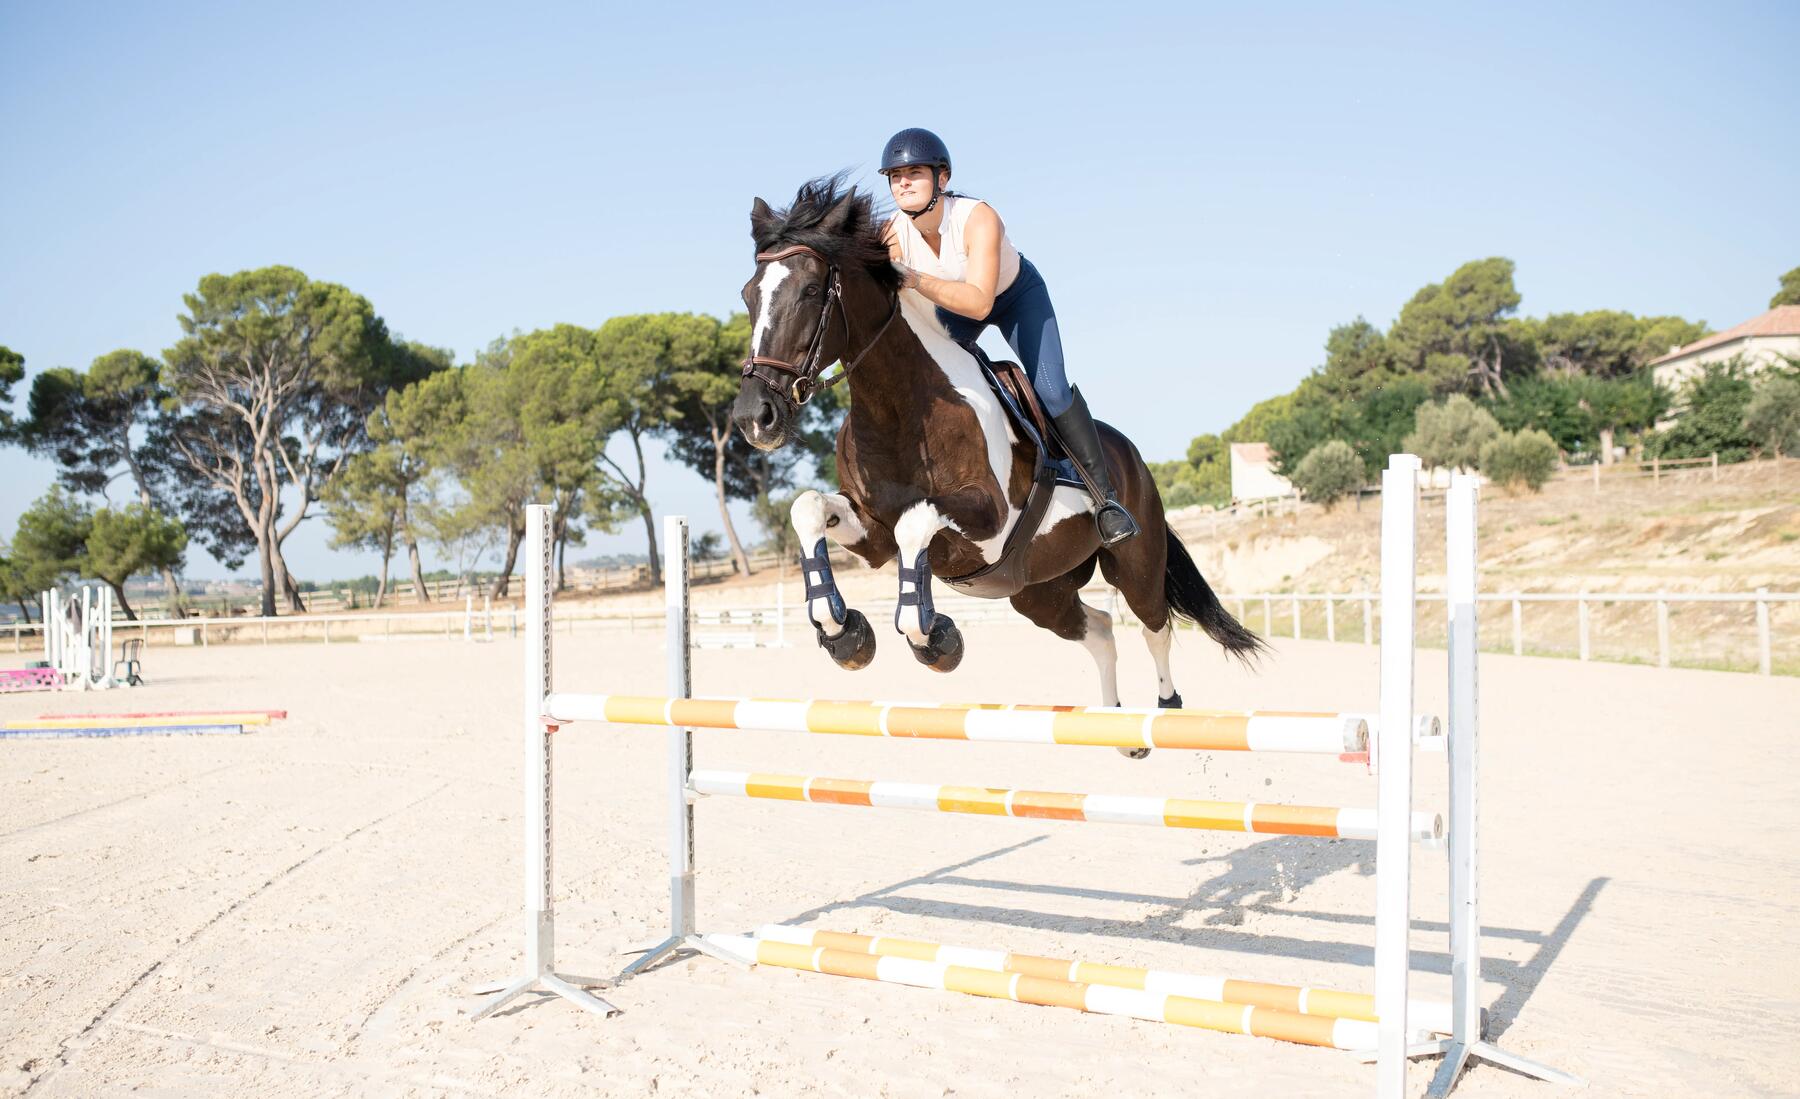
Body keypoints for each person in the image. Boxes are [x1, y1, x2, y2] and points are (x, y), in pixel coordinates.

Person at [878, 127, 1139, 546]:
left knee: (1051, 391)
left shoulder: (977, 216)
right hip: (952, 307)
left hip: (1015, 297)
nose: (902, 182)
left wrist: (912, 277)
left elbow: (981, 303)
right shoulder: (890, 235)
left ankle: (1106, 500)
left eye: (913, 172)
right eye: (894, 176)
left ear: (941, 179)